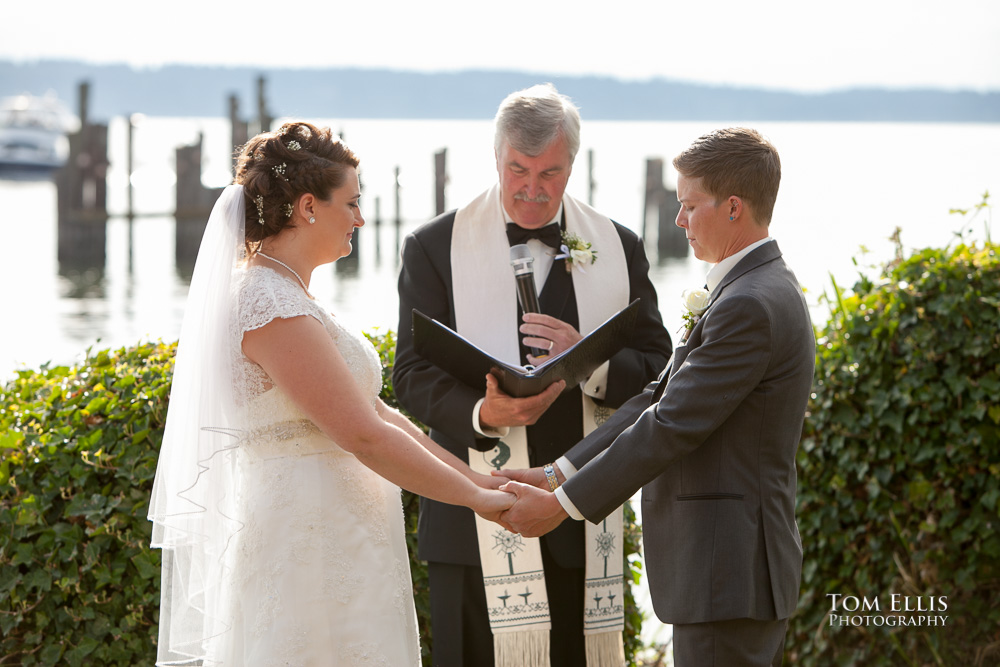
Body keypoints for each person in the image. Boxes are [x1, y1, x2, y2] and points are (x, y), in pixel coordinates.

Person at [148, 121, 513, 666]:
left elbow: (377, 413)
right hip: (305, 541)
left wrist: (477, 479)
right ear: (307, 207)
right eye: (352, 203)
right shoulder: (267, 304)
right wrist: (478, 501)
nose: (361, 219)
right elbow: (361, 435)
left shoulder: (292, 297)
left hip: (344, 535)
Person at [500, 127, 816, 667]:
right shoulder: (751, 289)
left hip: (728, 572)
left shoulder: (750, 305)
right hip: (724, 572)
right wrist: (559, 472)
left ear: (734, 207)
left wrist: (559, 507)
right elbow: (656, 396)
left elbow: (670, 423)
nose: (678, 220)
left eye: (689, 206)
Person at [393, 84, 672, 667]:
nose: (533, 189)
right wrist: (482, 414)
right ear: (496, 158)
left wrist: (589, 364)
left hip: (579, 516)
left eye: (551, 173)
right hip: (470, 516)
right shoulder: (432, 247)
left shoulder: (617, 246)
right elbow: (411, 374)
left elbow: (657, 369)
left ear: (572, 165)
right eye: (518, 170)